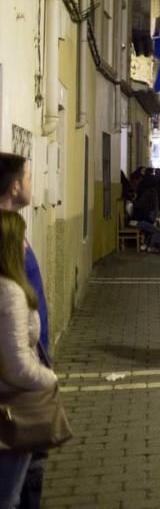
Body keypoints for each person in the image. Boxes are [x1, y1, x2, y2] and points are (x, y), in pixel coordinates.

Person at [0, 154, 50, 507]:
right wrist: (45, 379)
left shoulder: (14, 226)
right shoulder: (6, 236)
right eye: (29, 177)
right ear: (15, 186)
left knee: (30, 468)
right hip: (18, 382)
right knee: (13, 490)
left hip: (30, 363)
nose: (33, 184)